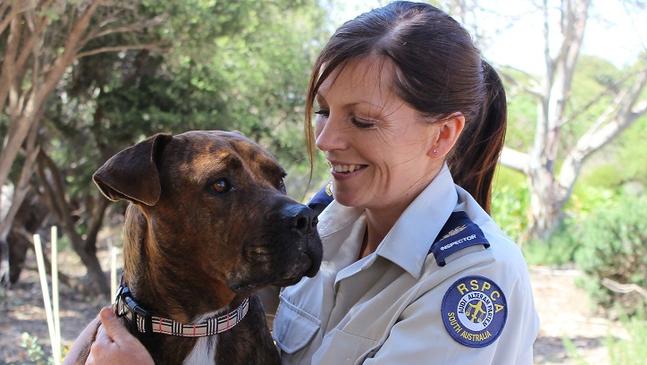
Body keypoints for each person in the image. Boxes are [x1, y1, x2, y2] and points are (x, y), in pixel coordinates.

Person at [67, 1, 539, 364]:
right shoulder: (324, 224)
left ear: (442, 135)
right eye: (324, 112)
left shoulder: (471, 278)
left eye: (362, 121)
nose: (328, 139)